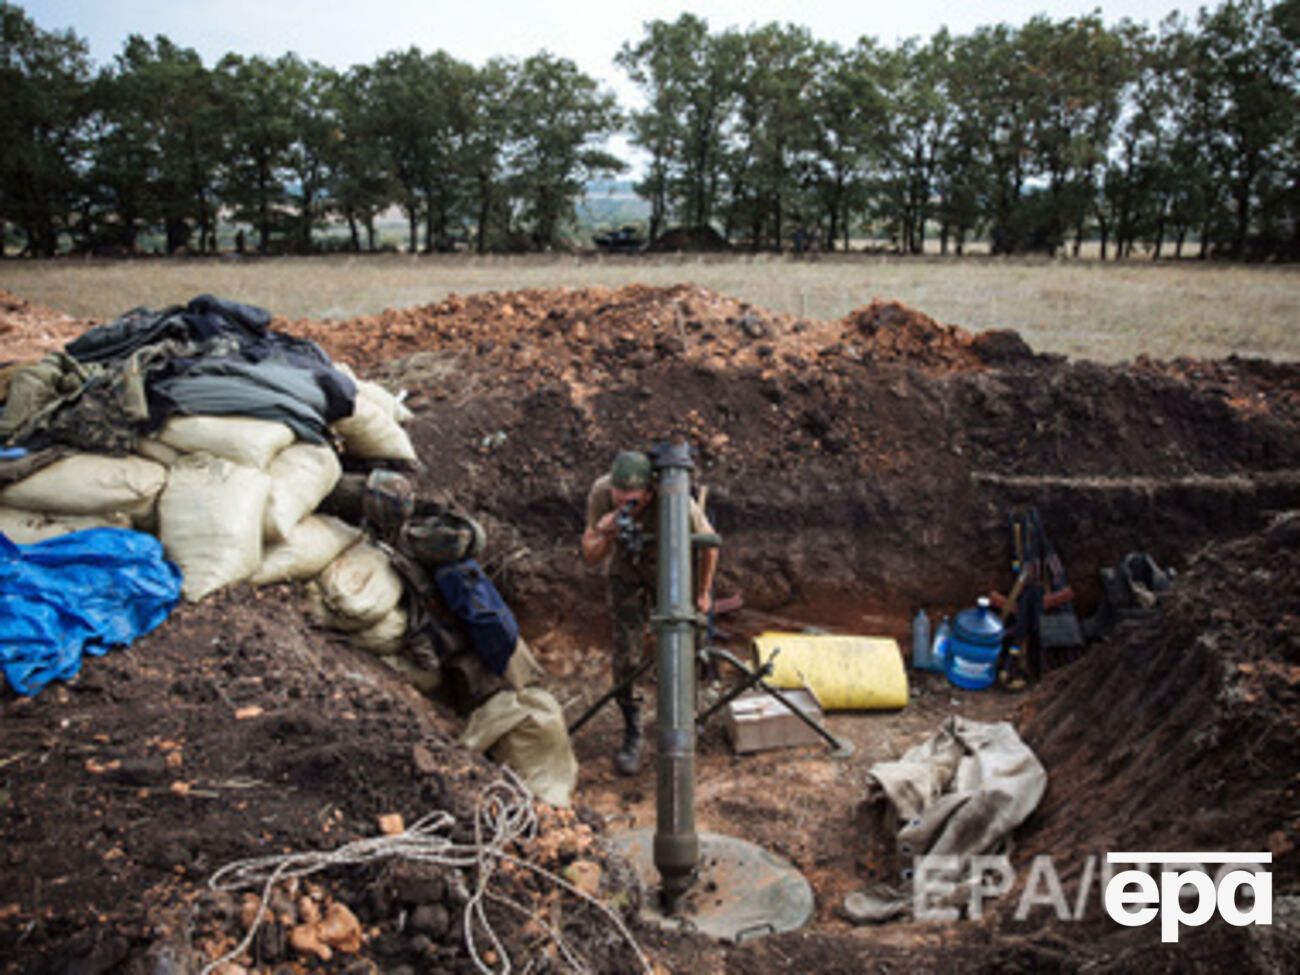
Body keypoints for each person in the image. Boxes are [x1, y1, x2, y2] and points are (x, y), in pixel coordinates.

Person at [581, 449, 719, 775]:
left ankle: (686, 712)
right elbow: (590, 555)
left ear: (649, 491)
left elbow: (711, 544)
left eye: (631, 498)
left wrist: (702, 592)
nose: (623, 502)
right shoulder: (602, 493)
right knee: (626, 654)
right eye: (618, 494)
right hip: (627, 567)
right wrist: (607, 532)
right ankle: (632, 729)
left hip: (669, 567)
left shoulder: (674, 499)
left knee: (688, 638)